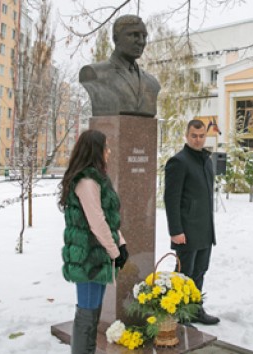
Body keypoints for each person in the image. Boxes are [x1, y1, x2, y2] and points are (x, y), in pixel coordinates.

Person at [58, 130, 128, 354]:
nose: (108, 152)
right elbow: (97, 222)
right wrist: (115, 251)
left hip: (96, 256)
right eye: (105, 147)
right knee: (86, 315)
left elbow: (108, 218)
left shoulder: (96, 178)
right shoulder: (87, 181)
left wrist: (121, 243)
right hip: (88, 257)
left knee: (92, 313)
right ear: (95, 150)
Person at [164, 119, 220, 325]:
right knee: (184, 274)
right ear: (187, 136)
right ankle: (179, 313)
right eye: (194, 136)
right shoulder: (178, 162)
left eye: (201, 136)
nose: (198, 140)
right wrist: (176, 230)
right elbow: (171, 199)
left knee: (200, 271)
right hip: (186, 230)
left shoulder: (206, 160)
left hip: (205, 229)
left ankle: (195, 309)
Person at [79, 15, 161, 117]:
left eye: (144, 36)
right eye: (134, 35)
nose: (141, 41)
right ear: (116, 39)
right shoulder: (94, 73)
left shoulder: (152, 82)